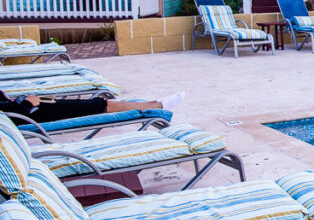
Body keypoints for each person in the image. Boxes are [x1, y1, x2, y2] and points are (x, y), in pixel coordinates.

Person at [0, 91, 185, 123]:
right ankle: (157, 105)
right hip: (29, 115)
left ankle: (156, 104)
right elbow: (14, 117)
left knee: (99, 104)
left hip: (26, 109)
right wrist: (26, 103)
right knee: (98, 105)